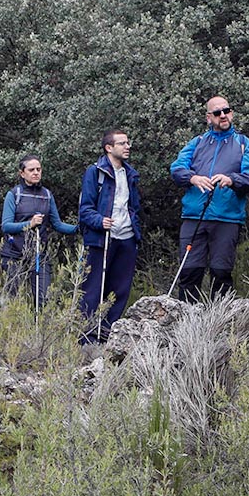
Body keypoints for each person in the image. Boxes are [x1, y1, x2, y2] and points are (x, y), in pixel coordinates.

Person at [168, 97, 249, 301]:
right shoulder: (198, 142)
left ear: (232, 113)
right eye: (217, 113)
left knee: (221, 272)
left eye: (226, 111)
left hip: (227, 218)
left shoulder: (244, 144)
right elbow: (176, 169)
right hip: (194, 216)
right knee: (189, 272)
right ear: (208, 117)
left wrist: (231, 180)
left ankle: (219, 323)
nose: (223, 115)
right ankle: (187, 323)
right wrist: (192, 178)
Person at [77, 128, 142, 343]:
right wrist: (99, 221)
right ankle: (86, 338)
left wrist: (135, 228)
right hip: (101, 239)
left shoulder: (130, 173)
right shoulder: (95, 172)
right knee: (93, 289)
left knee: (120, 290)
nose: (127, 146)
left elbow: (133, 206)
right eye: (122, 143)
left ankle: (106, 335)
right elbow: (85, 209)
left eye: (127, 142)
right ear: (109, 148)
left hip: (126, 237)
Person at [0, 154, 76, 306]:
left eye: (38, 169)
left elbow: (57, 224)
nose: (36, 173)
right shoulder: (14, 194)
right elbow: (6, 226)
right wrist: (30, 224)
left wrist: (80, 228)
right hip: (14, 255)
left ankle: (40, 329)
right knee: (12, 299)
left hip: (39, 255)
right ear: (22, 173)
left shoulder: (47, 195)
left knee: (43, 299)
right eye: (31, 170)